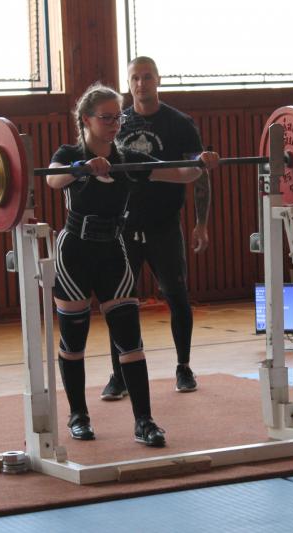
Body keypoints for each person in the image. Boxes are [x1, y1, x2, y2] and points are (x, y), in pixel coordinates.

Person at [47, 83, 218, 446]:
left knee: (130, 341)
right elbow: (52, 178)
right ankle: (78, 416)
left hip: (114, 251)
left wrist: (200, 164)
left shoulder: (127, 159)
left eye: (117, 118)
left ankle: (144, 422)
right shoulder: (69, 153)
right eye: (106, 118)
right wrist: (82, 168)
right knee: (73, 341)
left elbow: (180, 173)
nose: (114, 124)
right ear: (86, 119)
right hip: (74, 254)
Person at [100, 56, 211, 401]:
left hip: (164, 225)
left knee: (177, 296)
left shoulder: (180, 124)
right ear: (128, 83)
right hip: (124, 227)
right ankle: (119, 375)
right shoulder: (118, 124)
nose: (141, 84)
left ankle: (184, 367)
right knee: (118, 302)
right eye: (135, 78)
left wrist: (201, 223)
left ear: (158, 80)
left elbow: (198, 173)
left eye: (147, 77)